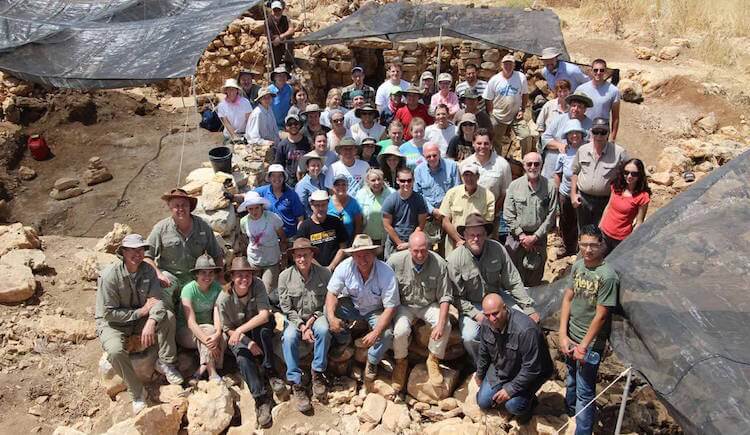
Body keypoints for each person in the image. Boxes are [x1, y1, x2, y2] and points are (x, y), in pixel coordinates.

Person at [96, 234, 183, 414]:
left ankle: (164, 361)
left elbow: (157, 300)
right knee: (114, 351)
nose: (138, 254)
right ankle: (137, 391)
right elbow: (109, 313)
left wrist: (151, 320)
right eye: (133, 250)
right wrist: (142, 312)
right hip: (114, 323)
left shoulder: (148, 271)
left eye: (141, 249)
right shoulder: (110, 276)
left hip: (140, 319)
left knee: (167, 316)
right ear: (123, 252)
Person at [446, 214, 538, 364]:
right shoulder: (454, 260)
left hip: (498, 297)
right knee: (469, 337)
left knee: (526, 321)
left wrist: (528, 307)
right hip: (473, 304)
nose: (476, 239)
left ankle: (521, 361)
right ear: (464, 235)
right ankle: (479, 364)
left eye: (480, 235)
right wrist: (476, 315)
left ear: (486, 235)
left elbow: (513, 281)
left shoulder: (497, 249)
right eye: (472, 235)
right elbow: (456, 297)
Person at [559, 225, 619, 435]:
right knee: (571, 378)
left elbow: (601, 315)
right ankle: (568, 414)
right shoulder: (578, 266)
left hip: (590, 344)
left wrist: (583, 346)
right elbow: (568, 298)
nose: (588, 250)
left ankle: (582, 431)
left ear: (602, 245)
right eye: (584, 244)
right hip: (571, 335)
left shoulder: (607, 276)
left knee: (585, 391)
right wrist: (562, 334)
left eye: (593, 245)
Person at [326, 234, 399, 384]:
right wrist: (332, 318)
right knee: (328, 312)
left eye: (366, 255)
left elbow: (391, 307)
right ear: (352, 256)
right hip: (352, 305)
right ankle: (344, 339)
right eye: (358, 256)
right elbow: (331, 293)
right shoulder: (345, 266)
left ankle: (372, 360)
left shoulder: (386, 272)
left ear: (373, 254)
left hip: (375, 310)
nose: (362, 260)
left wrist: (375, 332)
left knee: (386, 334)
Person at [387, 231, 453, 391]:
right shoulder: (395, 261)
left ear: (429, 247)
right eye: (415, 250)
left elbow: (445, 297)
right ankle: (401, 362)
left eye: (423, 250)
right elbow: (386, 288)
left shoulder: (439, 264)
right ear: (409, 249)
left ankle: (433, 359)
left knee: (446, 325)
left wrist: (441, 323)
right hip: (404, 305)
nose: (420, 254)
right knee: (400, 331)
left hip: (428, 304)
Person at [215, 257, 275, 428]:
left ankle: (270, 371)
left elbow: (264, 314)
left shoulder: (257, 285)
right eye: (239, 275)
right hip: (237, 334)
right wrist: (247, 342)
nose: (244, 279)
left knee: (265, 327)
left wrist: (242, 331)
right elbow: (228, 329)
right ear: (232, 277)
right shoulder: (223, 299)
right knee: (242, 357)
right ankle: (261, 399)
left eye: (248, 275)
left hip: (254, 327)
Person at [475, 293, 553, 423]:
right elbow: (483, 352)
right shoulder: (486, 324)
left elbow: (532, 368)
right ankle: (506, 391)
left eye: (495, 313)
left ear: (505, 308)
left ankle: (530, 403)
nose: (492, 319)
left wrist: (509, 390)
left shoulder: (526, 330)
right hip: (501, 368)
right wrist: (480, 374)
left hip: (529, 373)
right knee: (482, 402)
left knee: (514, 406)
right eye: (488, 315)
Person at [145, 189, 224, 313]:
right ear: (170, 207)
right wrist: (158, 274)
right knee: (161, 289)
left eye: (184, 205)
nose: (180, 209)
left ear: (190, 207)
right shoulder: (161, 229)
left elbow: (216, 254)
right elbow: (146, 256)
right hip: (172, 276)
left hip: (197, 276)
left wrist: (219, 278)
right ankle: (168, 319)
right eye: (176, 206)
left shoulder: (202, 226)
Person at [278, 238, 333, 411]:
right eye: (299, 256)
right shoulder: (284, 277)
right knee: (288, 337)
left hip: (317, 316)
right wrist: (302, 327)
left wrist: (312, 320)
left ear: (312, 255)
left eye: (306, 255)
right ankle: (296, 382)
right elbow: (286, 308)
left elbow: (327, 302)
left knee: (324, 330)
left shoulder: (324, 273)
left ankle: (317, 373)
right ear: (293, 257)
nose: (302, 259)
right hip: (295, 318)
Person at [503, 152, 558, 287]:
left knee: (535, 275)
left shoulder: (550, 187)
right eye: (529, 164)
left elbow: (551, 216)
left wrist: (535, 237)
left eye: (536, 164)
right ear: (524, 165)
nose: (533, 167)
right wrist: (522, 236)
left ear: (541, 165)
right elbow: (508, 214)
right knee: (513, 276)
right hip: (516, 238)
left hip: (538, 239)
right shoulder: (514, 186)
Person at [571, 118, 629, 231]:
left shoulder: (619, 152)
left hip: (606, 201)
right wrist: (573, 194)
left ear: (608, 133)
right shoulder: (582, 150)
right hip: (583, 200)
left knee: (601, 233)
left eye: (603, 132)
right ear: (591, 132)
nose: (598, 136)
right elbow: (575, 172)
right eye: (596, 132)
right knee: (583, 232)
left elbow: (631, 172)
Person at [176, 254, 225, 383]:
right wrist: (211, 344)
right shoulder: (188, 290)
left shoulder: (217, 288)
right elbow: (191, 322)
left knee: (222, 336)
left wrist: (218, 333)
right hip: (185, 331)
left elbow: (217, 312)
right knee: (209, 331)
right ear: (196, 274)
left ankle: (201, 370)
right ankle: (212, 373)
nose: (207, 276)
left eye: (211, 273)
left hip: (209, 330)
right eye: (203, 273)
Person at [238, 191, 287, 307]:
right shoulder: (244, 221)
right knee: (252, 289)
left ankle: (266, 313)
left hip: (271, 260)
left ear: (261, 207)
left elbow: (282, 236)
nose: (254, 212)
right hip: (254, 260)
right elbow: (245, 238)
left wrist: (283, 255)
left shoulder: (272, 218)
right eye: (250, 209)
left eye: (256, 208)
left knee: (266, 289)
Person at [440, 162, 495, 256]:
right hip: (454, 245)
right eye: (466, 175)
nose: (469, 179)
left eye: (472, 175)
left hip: (477, 244)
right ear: (461, 177)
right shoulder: (452, 193)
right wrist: (459, 240)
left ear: (478, 177)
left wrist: (470, 242)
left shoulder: (488, 196)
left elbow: (487, 224)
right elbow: (445, 221)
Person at [462, 129, 512, 232]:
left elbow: (505, 192)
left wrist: (493, 211)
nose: (482, 147)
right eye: (479, 143)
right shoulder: (465, 164)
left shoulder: (502, 164)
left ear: (491, 144)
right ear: (473, 144)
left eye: (486, 143)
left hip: (492, 217)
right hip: (468, 217)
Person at [484, 54, 533, 156]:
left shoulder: (520, 77)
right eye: (505, 64)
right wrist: (491, 114)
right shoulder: (494, 80)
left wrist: (522, 110)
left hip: (515, 114)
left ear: (514, 65)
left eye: (510, 64)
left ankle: (526, 161)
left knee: (526, 136)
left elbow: (525, 94)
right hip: (498, 115)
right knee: (494, 141)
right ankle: (497, 161)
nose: (508, 66)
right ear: (501, 65)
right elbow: (488, 99)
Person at [598, 158, 651, 254]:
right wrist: (600, 226)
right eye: (626, 172)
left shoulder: (643, 197)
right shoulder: (616, 187)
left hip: (621, 239)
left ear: (640, 175)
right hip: (604, 233)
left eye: (634, 174)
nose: (629, 176)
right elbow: (608, 207)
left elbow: (639, 222)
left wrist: (631, 242)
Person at [541, 91, 593, 179]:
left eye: (579, 107)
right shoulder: (559, 119)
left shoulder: (590, 125)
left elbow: (592, 145)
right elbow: (545, 138)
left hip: (576, 169)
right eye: (573, 105)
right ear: (569, 106)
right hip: (553, 164)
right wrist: (559, 145)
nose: (575, 109)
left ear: (585, 109)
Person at [554, 119, 588, 256]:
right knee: (566, 222)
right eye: (571, 133)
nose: (574, 136)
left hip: (583, 194)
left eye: (577, 133)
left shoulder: (587, 150)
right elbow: (558, 174)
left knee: (581, 222)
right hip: (565, 193)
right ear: (567, 136)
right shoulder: (563, 153)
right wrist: (556, 194)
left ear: (581, 134)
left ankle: (581, 250)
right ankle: (568, 249)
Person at [382, 167, 428, 258]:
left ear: (413, 181)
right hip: (394, 244)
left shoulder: (420, 199)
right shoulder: (390, 200)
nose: (406, 183)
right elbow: (387, 225)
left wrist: (410, 243)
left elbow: (421, 224)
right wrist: (399, 243)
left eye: (409, 180)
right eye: (403, 181)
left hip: (413, 243)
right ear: (397, 181)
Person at [297, 190, 348, 269]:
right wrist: (321, 270)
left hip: (336, 268)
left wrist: (331, 266)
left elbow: (343, 247)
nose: (320, 208)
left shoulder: (336, 222)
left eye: (323, 205)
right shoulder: (304, 227)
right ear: (311, 206)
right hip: (313, 270)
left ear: (328, 204)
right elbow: (303, 252)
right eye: (317, 205)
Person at [254, 164, 305, 239]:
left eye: (280, 175)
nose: (277, 178)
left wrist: (299, 236)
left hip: (290, 236)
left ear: (284, 178)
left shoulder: (292, 194)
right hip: (270, 237)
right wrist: (231, 196)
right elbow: (248, 196)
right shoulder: (263, 191)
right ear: (269, 178)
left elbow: (300, 218)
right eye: (273, 175)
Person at [576, 59, 621, 141]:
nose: (598, 73)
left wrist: (612, 138)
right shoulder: (581, 89)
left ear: (605, 71)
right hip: (582, 131)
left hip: (601, 132)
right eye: (596, 70)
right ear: (591, 71)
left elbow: (616, 117)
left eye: (601, 70)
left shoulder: (614, 91)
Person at [415, 142, 460, 222]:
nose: (432, 158)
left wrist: (445, 211)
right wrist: (432, 210)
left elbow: (457, 191)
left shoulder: (452, 166)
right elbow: (418, 195)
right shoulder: (418, 171)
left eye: (434, 155)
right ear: (424, 157)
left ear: (439, 153)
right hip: (428, 215)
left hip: (450, 214)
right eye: (428, 156)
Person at [355, 168, 395, 248]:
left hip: (387, 239)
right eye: (373, 180)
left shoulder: (392, 193)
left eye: (379, 179)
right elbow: (358, 219)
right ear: (368, 182)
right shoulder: (360, 195)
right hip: (366, 239)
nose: (377, 182)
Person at [275, 114, 311, 185]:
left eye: (295, 123)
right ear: (286, 127)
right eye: (290, 124)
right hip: (289, 183)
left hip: (307, 181)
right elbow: (279, 166)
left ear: (300, 125)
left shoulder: (308, 142)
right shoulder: (282, 145)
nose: (293, 126)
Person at [329, 174, 364, 244]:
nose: (341, 187)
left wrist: (354, 243)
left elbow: (358, 226)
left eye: (343, 184)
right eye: (337, 185)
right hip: (330, 245)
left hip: (349, 243)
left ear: (348, 186)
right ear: (332, 187)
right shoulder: (327, 203)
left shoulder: (354, 203)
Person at [296, 151, 327, 216]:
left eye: (318, 165)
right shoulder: (302, 184)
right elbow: (302, 206)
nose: (316, 168)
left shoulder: (324, 178)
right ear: (307, 167)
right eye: (313, 165)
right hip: (311, 218)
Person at [267, 0, 295, 70]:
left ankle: (288, 63)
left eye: (278, 10)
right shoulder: (268, 21)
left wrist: (281, 37)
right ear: (272, 11)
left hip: (283, 41)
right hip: (274, 44)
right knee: (276, 63)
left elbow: (291, 30)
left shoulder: (285, 19)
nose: (277, 12)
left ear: (282, 10)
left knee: (290, 40)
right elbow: (269, 36)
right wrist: (276, 39)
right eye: (275, 10)